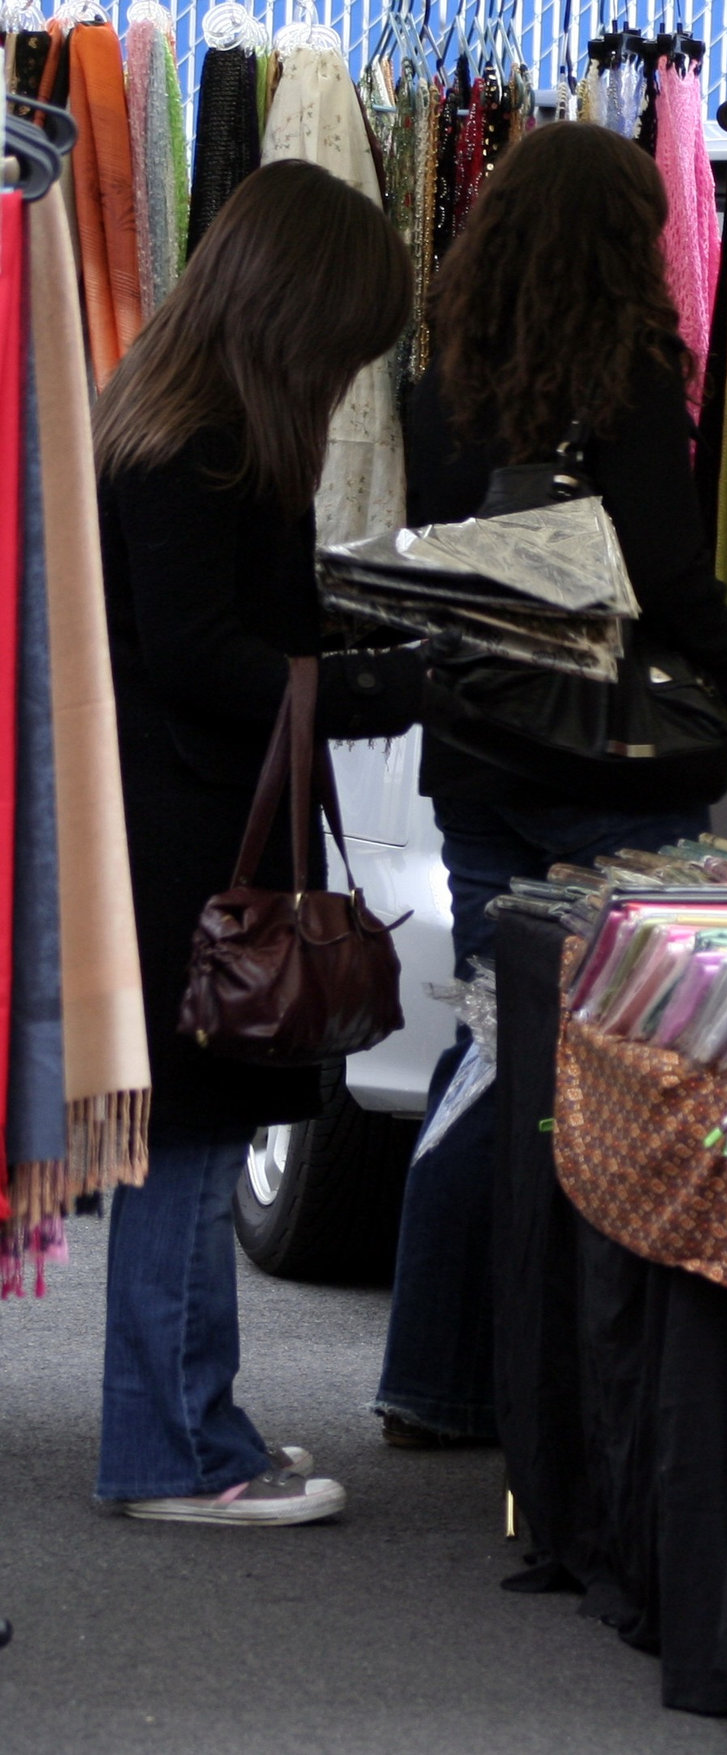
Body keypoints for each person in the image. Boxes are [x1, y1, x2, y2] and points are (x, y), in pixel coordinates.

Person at [376, 122, 727, 1447]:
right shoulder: (634, 379)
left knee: (488, 1048)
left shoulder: (445, 382)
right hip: (613, 762)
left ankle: (432, 1368)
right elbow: (665, 575)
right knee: (613, 1070)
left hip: (481, 755)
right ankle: (577, 1391)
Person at [94, 161, 421, 1525]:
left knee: (195, 1145)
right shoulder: (205, 445)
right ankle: (176, 1450)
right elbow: (199, 651)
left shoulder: (174, 420)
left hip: (179, 826)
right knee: (187, 1149)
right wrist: (363, 681)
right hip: (188, 837)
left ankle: (197, 1420)